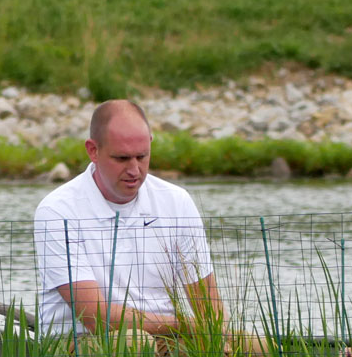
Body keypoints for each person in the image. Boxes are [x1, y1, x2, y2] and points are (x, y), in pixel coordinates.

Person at [33, 100, 223, 339]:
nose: (134, 170)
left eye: (142, 157)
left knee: (259, 348)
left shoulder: (177, 201)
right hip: (83, 343)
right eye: (122, 158)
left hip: (170, 339)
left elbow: (210, 308)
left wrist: (219, 341)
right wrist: (188, 327)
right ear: (93, 150)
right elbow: (96, 318)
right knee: (137, 342)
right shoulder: (57, 211)